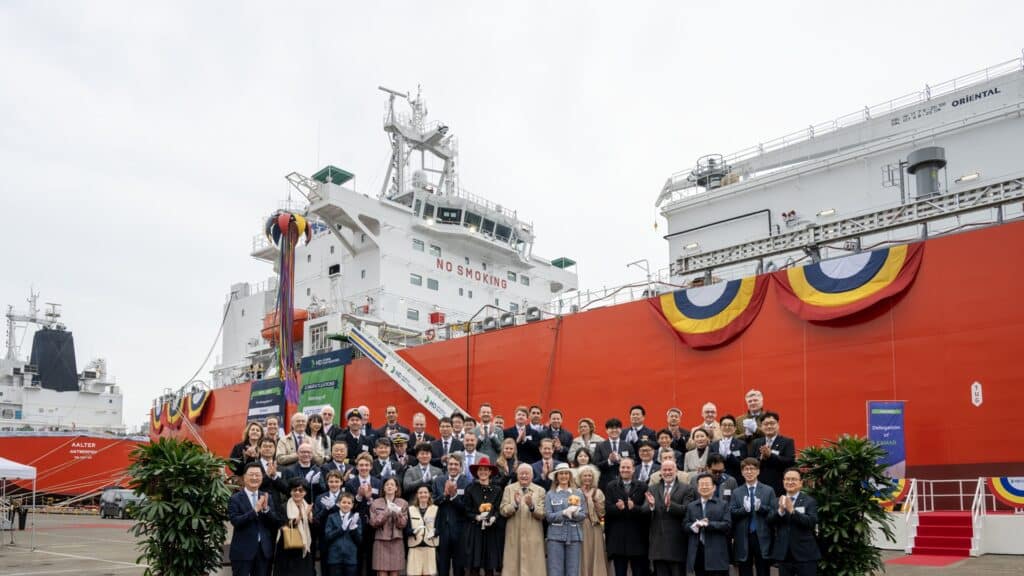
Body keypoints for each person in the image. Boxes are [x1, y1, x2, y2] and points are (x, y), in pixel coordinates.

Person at [643, 459, 695, 576]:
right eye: (664, 470)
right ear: (660, 472)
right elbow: (643, 510)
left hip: (677, 543)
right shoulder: (652, 488)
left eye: (670, 469)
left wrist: (670, 505)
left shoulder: (686, 488)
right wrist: (651, 506)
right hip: (658, 544)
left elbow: (687, 510)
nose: (667, 472)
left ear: (676, 471)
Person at [229, 462, 280, 576]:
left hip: (263, 551)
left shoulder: (267, 496)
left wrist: (266, 509)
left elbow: (275, 523)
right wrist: (254, 511)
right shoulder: (235, 498)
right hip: (242, 551)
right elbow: (236, 521)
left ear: (262, 477)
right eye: (251, 474)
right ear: (244, 477)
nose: (254, 477)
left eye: (258, 475)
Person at [769, 468, 820, 576]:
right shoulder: (776, 501)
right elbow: (769, 521)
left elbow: (811, 522)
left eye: (794, 479)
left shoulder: (809, 501)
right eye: (787, 479)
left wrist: (792, 511)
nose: (790, 482)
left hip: (805, 554)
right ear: (783, 482)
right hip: (784, 554)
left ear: (801, 483)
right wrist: (780, 511)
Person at [603, 457, 649, 576]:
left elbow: (646, 511)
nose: (625, 470)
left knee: (638, 572)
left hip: (637, 537)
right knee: (620, 572)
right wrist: (618, 508)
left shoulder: (642, 486)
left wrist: (634, 508)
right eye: (623, 467)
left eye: (628, 467)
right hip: (618, 538)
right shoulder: (611, 486)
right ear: (619, 469)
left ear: (634, 469)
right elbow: (607, 509)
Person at [498, 463, 547, 575]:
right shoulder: (509, 489)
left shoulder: (540, 490)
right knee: (513, 567)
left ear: (532, 475)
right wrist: (514, 504)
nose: (524, 476)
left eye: (527, 473)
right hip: (514, 534)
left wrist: (532, 506)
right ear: (517, 475)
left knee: (534, 568)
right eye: (521, 473)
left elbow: (543, 514)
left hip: (533, 535)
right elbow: (503, 511)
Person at [731, 458, 775, 576]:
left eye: (752, 469)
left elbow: (773, 513)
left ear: (758, 471)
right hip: (743, 536)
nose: (749, 472)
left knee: (763, 570)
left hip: (762, 536)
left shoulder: (768, 490)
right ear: (742, 472)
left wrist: (761, 508)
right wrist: (744, 510)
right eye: (746, 469)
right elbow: (732, 513)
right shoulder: (736, 492)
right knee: (744, 570)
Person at [463, 456, 504, 576]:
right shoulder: (470, 489)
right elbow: (466, 509)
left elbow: (498, 508)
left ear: (490, 472)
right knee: (474, 567)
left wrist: (494, 518)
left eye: (486, 470)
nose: (483, 472)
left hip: (491, 532)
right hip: (475, 531)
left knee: (489, 567)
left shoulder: (497, 490)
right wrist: (476, 517)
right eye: (480, 469)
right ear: (477, 472)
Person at [685, 473, 732, 576]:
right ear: (697, 488)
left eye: (707, 484)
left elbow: (727, 525)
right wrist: (693, 526)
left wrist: (709, 524)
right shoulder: (691, 506)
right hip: (698, 552)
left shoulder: (723, 504)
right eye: (701, 484)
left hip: (717, 553)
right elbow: (685, 525)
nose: (704, 487)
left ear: (714, 487)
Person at [544, 462, 586, 576]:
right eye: (561, 474)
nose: (564, 476)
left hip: (574, 536)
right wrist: (563, 513)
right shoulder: (550, 494)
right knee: (555, 570)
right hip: (555, 537)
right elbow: (548, 516)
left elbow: (583, 515)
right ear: (556, 477)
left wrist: (575, 513)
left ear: (570, 475)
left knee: (573, 571)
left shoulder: (578, 493)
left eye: (566, 473)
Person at [432, 454, 470, 576]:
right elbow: (433, 503)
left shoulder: (467, 483)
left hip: (460, 530)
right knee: (442, 566)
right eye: (450, 464)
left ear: (460, 467)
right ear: (447, 466)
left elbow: (467, 508)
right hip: (442, 529)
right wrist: (444, 495)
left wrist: (454, 497)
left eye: (456, 464)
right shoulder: (439, 481)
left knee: (459, 568)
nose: (453, 467)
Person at [346, 453, 382, 575]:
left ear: (371, 466)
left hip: (374, 525)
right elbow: (348, 505)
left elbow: (380, 504)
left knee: (373, 557)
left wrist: (370, 498)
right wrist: (359, 497)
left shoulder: (378, 483)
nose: (364, 468)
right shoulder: (351, 483)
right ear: (357, 467)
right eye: (361, 465)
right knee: (357, 556)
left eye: (366, 465)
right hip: (357, 525)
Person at [274, 477, 315, 576]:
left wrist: (310, 519)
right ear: (290, 491)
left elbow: (315, 528)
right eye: (294, 490)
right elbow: (282, 525)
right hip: (287, 550)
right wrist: (302, 516)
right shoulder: (283, 506)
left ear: (305, 492)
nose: (297, 493)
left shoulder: (308, 506)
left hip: (304, 549)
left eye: (301, 490)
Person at [369, 476, 409, 576]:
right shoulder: (376, 502)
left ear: (396, 488)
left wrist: (397, 513)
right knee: (381, 572)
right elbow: (373, 523)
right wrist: (386, 512)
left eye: (392, 484)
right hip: (380, 541)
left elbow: (403, 524)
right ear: (383, 488)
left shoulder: (403, 503)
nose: (389, 487)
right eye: (387, 485)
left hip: (397, 541)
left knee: (395, 572)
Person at [750, 411, 795, 496]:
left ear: (778, 425)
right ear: (761, 426)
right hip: (760, 486)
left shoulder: (787, 441)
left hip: (779, 486)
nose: (769, 426)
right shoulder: (756, 442)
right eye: (766, 424)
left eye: (772, 423)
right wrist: (761, 458)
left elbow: (790, 461)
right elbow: (750, 462)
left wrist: (771, 456)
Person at [576, 465, 607, 576]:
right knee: (583, 554)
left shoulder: (598, 492)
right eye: (585, 475)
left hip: (595, 527)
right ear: (580, 477)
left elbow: (602, 513)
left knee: (596, 553)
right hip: (580, 526)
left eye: (590, 475)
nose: (587, 478)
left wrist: (594, 501)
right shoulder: (576, 492)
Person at [316, 471, 349, 576]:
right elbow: (316, 519)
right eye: (331, 481)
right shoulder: (320, 497)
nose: (334, 484)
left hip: (343, 538)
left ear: (341, 482)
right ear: (327, 482)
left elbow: (349, 515)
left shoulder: (347, 497)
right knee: (326, 569)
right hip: (326, 538)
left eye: (336, 481)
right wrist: (326, 509)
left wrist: (334, 507)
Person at [324, 492, 362, 576]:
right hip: (335, 558)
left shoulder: (356, 518)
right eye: (344, 502)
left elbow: (359, 540)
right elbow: (327, 536)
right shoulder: (331, 517)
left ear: (352, 505)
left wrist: (353, 530)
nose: (346, 505)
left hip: (350, 558)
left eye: (349, 503)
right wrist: (341, 529)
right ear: (338, 504)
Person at [406, 485, 439, 576]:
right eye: (420, 493)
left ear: (429, 495)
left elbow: (439, 528)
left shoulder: (436, 509)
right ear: (417, 495)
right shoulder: (410, 509)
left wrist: (434, 532)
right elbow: (406, 529)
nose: (423, 495)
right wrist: (413, 531)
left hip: (429, 546)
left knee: (429, 573)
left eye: (425, 492)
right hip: (415, 547)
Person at [594, 418, 633, 492]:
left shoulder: (628, 445)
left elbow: (634, 461)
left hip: (624, 482)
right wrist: (609, 461)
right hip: (605, 483)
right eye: (611, 428)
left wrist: (622, 461)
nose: (614, 430)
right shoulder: (600, 446)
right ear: (607, 430)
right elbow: (596, 464)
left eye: (617, 428)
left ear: (621, 430)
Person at [710, 415, 747, 480]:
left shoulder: (741, 444)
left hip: (736, 479)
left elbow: (742, 465)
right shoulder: (713, 445)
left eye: (730, 425)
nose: (727, 427)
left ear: (735, 428)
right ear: (720, 427)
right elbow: (710, 464)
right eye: (724, 425)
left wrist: (729, 454)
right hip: (717, 479)